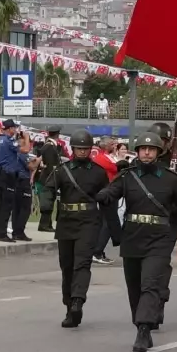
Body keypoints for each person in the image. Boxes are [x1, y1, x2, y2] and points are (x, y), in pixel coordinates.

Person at [97, 131, 177, 352]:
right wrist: (103, 195)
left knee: (150, 283)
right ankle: (140, 321)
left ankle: (144, 330)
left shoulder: (171, 179)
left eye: (151, 149)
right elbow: (111, 192)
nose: (146, 152)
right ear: (138, 151)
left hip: (159, 238)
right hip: (133, 236)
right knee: (134, 286)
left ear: (158, 153)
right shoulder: (128, 176)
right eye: (143, 149)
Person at [45, 130, 110, 328]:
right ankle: (69, 307)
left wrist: (114, 229)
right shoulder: (62, 170)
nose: (82, 152)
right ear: (72, 149)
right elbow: (47, 188)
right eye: (79, 148)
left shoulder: (98, 172)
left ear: (91, 149)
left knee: (82, 264)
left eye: (85, 149)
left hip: (88, 221)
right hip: (66, 221)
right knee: (67, 266)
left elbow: (107, 198)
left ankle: (78, 300)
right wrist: (46, 207)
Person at [0, 119, 34, 243]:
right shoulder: (9, 140)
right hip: (8, 174)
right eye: (14, 128)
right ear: (10, 129)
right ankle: (2, 234)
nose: (15, 130)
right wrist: (26, 138)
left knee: (0, 205)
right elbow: (26, 150)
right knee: (6, 205)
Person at [91, 136, 120, 265]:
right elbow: (116, 168)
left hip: (110, 192)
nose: (114, 146)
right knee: (107, 223)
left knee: (105, 222)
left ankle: (98, 251)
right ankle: (97, 251)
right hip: (107, 192)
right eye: (112, 144)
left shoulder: (106, 156)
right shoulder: (102, 158)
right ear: (106, 145)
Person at [36, 125, 67, 232]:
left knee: (49, 201)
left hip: (49, 178)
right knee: (47, 203)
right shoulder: (49, 147)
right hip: (49, 178)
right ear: (57, 134)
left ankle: (47, 224)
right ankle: (44, 225)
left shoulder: (50, 146)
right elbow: (51, 166)